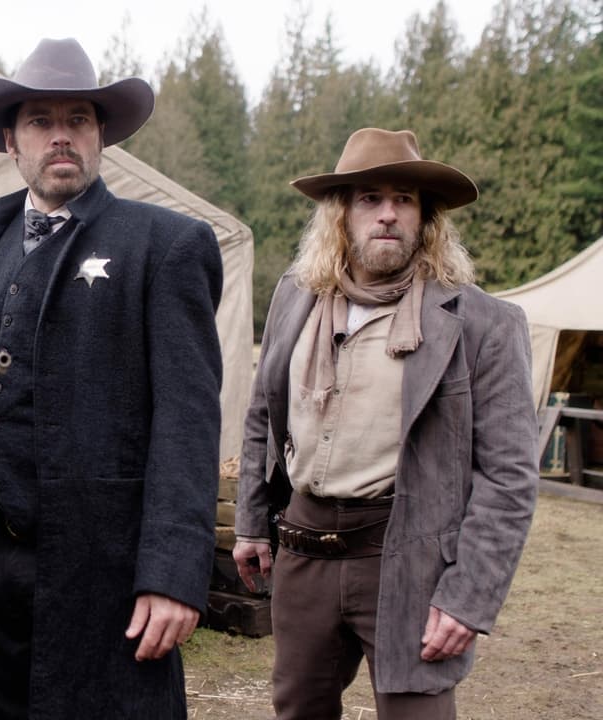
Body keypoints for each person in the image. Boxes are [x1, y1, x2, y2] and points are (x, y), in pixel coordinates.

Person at [0, 38, 223, 719]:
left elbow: (188, 422)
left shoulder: (166, 245)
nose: (60, 136)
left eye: (78, 120)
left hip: (106, 572)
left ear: (101, 137)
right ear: (11, 142)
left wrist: (173, 573)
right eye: (40, 121)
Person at [233, 128, 539, 719]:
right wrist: (250, 523)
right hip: (303, 550)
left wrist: (469, 596)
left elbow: (509, 477)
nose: (388, 214)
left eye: (404, 199)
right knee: (298, 710)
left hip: (408, 558)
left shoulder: (483, 323)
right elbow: (262, 414)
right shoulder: (297, 296)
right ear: (341, 214)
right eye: (370, 198)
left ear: (426, 218)